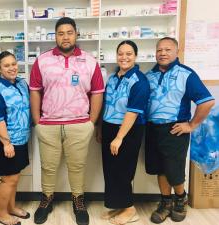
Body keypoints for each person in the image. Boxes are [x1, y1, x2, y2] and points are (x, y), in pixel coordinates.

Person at [29, 17, 104, 225]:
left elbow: (97, 92)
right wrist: (37, 121)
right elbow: (35, 91)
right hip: (48, 125)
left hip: (80, 124)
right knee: (48, 166)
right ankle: (46, 199)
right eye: (60, 33)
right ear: (55, 36)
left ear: (76, 34)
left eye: (69, 32)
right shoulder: (42, 61)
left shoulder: (89, 61)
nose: (65, 37)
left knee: (77, 166)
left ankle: (78, 200)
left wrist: (91, 122)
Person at [145, 37, 215, 223]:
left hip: (175, 129)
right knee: (160, 168)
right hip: (152, 129)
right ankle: (165, 202)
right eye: (160, 50)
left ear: (177, 52)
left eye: (168, 49)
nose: (163, 53)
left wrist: (191, 125)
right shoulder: (149, 75)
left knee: (173, 170)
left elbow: (207, 101)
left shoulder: (186, 74)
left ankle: (180, 199)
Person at [97, 40, 150, 225]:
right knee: (110, 169)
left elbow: (133, 112)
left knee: (123, 170)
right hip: (109, 127)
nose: (124, 57)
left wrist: (119, 137)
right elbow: (106, 104)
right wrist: (100, 128)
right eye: (121, 53)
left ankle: (130, 209)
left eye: (129, 54)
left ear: (135, 56)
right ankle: (119, 205)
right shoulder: (113, 78)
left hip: (128, 130)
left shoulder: (139, 81)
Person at [0, 51, 31, 225]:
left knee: (14, 177)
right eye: (6, 65)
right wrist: (6, 143)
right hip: (4, 142)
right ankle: (2, 214)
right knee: (8, 178)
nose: (12, 68)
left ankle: (11, 208)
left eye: (14, 64)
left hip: (20, 138)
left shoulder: (21, 83)